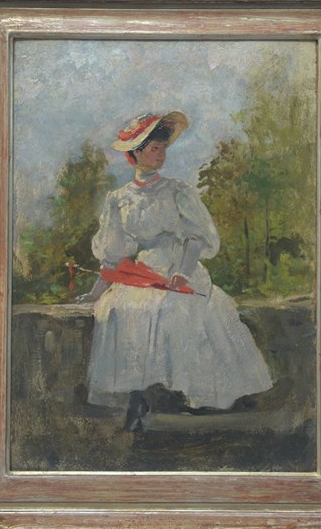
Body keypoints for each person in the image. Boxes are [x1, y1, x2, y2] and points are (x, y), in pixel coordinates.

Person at [77, 111, 273, 430]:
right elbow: (113, 256)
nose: (161, 155)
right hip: (143, 273)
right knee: (116, 308)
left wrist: (183, 272)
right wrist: (95, 291)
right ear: (135, 154)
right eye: (154, 149)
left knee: (175, 307)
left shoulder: (177, 191)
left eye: (163, 149)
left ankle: (192, 392)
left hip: (180, 267)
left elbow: (195, 238)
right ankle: (137, 396)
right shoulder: (119, 200)